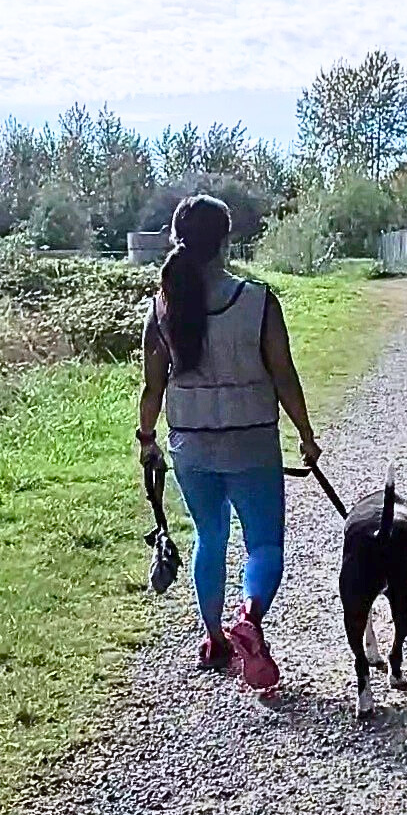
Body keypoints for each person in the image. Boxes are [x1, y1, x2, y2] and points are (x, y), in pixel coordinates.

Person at [137, 195, 321, 688]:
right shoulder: (258, 301)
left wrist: (147, 438)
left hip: (190, 446)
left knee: (209, 536)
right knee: (263, 543)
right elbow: (284, 375)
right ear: (226, 241)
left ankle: (214, 639)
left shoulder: (161, 308)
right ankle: (250, 616)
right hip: (251, 442)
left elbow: (152, 386)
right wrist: (305, 435)